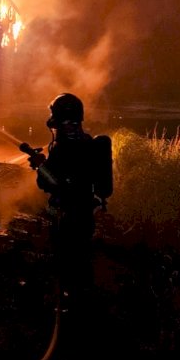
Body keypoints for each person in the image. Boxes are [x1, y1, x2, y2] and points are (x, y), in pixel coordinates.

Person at [23, 93, 113, 251]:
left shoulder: (63, 148)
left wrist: (40, 165)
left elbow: (51, 184)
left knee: (68, 265)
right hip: (85, 217)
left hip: (68, 221)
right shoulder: (88, 142)